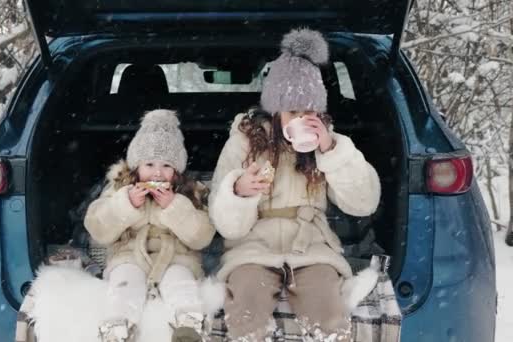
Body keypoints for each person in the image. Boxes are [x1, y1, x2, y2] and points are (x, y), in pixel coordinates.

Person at [208, 28, 381, 341]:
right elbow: (225, 225)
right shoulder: (243, 143)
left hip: (312, 245)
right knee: (246, 309)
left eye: (309, 111)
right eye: (292, 112)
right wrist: (238, 193)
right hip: (252, 247)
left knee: (328, 313)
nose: (301, 119)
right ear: (274, 111)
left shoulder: (331, 144)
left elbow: (364, 202)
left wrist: (332, 151)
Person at [85, 109, 216, 342]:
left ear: (177, 171)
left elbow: (203, 236)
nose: (158, 172)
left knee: (181, 283)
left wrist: (175, 207)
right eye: (149, 164)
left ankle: (189, 326)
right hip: (128, 256)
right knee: (124, 285)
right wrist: (126, 204)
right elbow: (97, 227)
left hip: (177, 256)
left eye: (167, 165)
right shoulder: (119, 189)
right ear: (135, 167)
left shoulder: (191, 192)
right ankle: (118, 328)